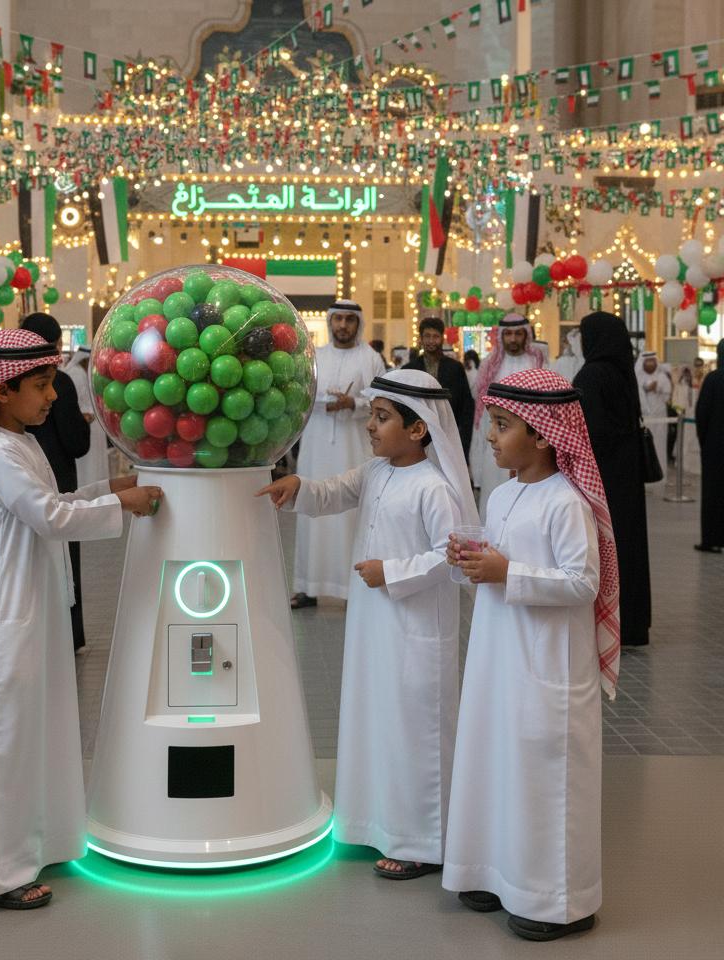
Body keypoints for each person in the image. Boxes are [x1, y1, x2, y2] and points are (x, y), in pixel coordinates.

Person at [0, 328, 162, 910]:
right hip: (2, 614)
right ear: (0, 391)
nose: (53, 397)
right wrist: (123, 504)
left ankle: (39, 843)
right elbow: (49, 516)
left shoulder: (19, 441)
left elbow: (52, 496)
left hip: (28, 606)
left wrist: (109, 485)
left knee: (34, 732)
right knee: (3, 744)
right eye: (40, 385)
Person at [258, 369, 477, 881]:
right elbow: (336, 491)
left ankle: (422, 841)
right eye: (371, 416)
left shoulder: (434, 488)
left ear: (419, 428)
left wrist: (392, 572)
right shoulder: (379, 472)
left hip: (416, 629)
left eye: (381, 418)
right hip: (375, 625)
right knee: (375, 719)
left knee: (414, 730)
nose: (370, 427)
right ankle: (373, 823)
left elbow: (454, 557)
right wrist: (297, 487)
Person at [442, 367, 619, 942]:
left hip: (548, 666)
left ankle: (558, 901)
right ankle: (497, 873)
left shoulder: (567, 502)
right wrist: (475, 558)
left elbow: (582, 584)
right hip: (499, 660)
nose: (489, 437)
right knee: (498, 766)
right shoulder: (503, 493)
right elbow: (503, 564)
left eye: (501, 425)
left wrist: (506, 570)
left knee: (545, 779)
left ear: (543, 434)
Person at [290, 300, 386, 608]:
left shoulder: (371, 359)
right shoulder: (314, 356)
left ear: (358, 323)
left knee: (351, 516)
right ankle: (307, 587)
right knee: (310, 510)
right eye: (338, 319)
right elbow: (299, 394)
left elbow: (382, 402)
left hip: (353, 449)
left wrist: (354, 404)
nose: (342, 325)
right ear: (331, 322)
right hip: (316, 448)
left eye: (349, 320)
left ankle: (352, 587)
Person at [573, 312, 650, 646]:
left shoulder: (592, 374)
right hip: (626, 480)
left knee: (605, 548)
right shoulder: (622, 372)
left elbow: (585, 432)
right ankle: (632, 625)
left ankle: (610, 624)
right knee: (628, 547)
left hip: (600, 479)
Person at [20, 313, 92, 652]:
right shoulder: (59, 383)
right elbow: (78, 443)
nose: (47, 396)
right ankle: (68, 632)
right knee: (62, 557)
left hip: (38, 486)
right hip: (57, 479)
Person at [469, 314, 545, 520]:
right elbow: (480, 418)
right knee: (494, 496)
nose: (513, 339)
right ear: (501, 336)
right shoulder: (489, 365)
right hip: (494, 442)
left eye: (518, 333)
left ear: (526, 335)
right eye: (508, 334)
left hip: (528, 443)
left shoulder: (538, 361)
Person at [405, 317, 474, 457]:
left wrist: (463, 441)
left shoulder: (455, 368)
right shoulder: (410, 369)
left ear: (442, 338)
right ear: (421, 339)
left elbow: (466, 407)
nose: (431, 341)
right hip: (418, 436)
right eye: (427, 336)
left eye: (435, 336)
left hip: (449, 435)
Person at [63, 345, 110, 487]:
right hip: (84, 424)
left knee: (96, 462)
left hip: (94, 425)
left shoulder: (87, 373)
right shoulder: (76, 373)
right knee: (88, 465)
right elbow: (81, 402)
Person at [695, 339, 724, 553]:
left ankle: (712, 539)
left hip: (715, 448)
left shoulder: (713, 380)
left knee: (713, 493)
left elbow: (702, 414)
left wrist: (705, 441)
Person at [635, 351, 672, 486]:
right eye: (647, 361)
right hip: (644, 418)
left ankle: (660, 476)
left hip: (660, 417)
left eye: (652, 361)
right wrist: (645, 389)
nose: (650, 364)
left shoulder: (662, 377)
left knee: (659, 445)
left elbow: (667, 396)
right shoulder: (637, 377)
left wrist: (657, 388)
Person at [672, 366, 700, 477]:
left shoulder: (695, 388)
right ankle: (681, 462)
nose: (687, 377)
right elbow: (675, 401)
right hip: (683, 419)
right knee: (683, 439)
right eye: (685, 374)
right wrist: (680, 411)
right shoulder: (679, 387)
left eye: (689, 374)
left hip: (693, 419)